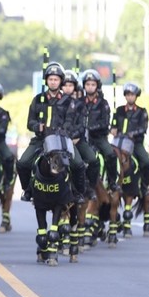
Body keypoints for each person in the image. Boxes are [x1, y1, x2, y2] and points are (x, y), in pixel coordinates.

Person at [17, 62, 86, 202]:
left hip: (61, 140)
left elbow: (69, 122)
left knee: (78, 164)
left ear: (60, 81)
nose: (53, 82)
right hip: (41, 139)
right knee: (22, 163)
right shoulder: (38, 99)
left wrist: (60, 130)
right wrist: (38, 127)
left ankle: (78, 193)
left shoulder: (69, 101)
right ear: (46, 80)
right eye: (50, 79)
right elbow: (30, 122)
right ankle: (28, 190)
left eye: (56, 79)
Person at [80, 69, 119, 192]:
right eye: (87, 84)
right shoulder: (79, 103)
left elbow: (105, 122)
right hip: (83, 138)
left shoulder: (103, 103)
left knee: (111, 155)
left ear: (97, 86)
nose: (90, 87)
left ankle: (112, 182)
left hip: (99, 138)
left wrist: (90, 127)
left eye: (93, 84)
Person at [111, 83, 149, 197]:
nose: (130, 97)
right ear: (125, 96)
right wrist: (113, 129)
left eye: (132, 95)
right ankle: (109, 183)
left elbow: (143, 128)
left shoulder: (142, 111)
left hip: (135, 143)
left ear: (136, 96)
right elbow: (113, 125)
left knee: (147, 162)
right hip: (118, 142)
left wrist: (131, 134)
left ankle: (144, 186)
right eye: (128, 95)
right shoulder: (118, 110)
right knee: (108, 158)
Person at [61, 70, 91, 203]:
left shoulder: (80, 105)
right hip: (58, 140)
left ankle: (84, 190)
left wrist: (72, 136)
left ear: (74, 87)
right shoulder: (54, 102)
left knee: (89, 161)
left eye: (70, 85)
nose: (67, 88)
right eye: (65, 85)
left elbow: (81, 126)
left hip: (76, 140)